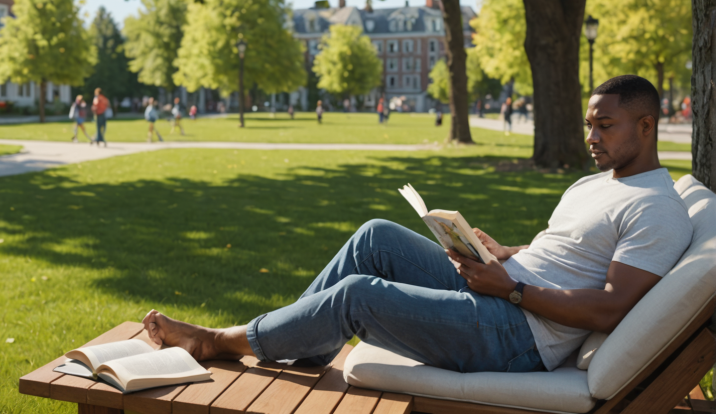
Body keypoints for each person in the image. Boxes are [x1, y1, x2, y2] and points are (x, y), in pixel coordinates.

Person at [142, 75, 691, 376]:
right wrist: (500, 251)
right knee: (375, 235)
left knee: (358, 295)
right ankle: (301, 344)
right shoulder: (600, 183)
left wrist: (516, 290)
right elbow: (574, 251)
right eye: (589, 124)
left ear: (646, 126)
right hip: (503, 288)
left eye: (605, 125)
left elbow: (611, 307)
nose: (591, 136)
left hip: (519, 335)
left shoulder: (657, 207)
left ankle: (218, 342)